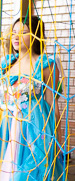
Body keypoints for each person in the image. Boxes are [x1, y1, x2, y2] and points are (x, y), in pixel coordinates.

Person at [0, 15, 64, 181]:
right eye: (14, 32)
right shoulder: (6, 64)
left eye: (23, 32)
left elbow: (52, 104)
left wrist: (57, 139)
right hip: (7, 125)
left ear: (36, 35)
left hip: (34, 128)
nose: (16, 36)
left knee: (30, 172)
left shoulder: (46, 64)